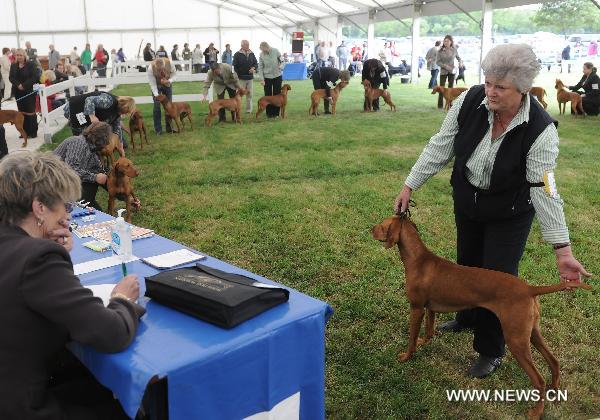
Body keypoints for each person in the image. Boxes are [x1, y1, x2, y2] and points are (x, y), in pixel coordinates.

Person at [394, 44, 590, 379]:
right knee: (467, 265)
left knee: (497, 277)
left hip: (509, 211)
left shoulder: (541, 130)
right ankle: (467, 316)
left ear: (524, 89)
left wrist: (563, 249)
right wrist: (410, 183)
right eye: (487, 83)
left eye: (500, 87)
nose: (490, 92)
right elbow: (441, 144)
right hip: (468, 200)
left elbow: (546, 188)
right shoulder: (469, 101)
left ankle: (489, 348)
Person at [0, 150, 145, 419]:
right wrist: (123, 299)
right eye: (65, 206)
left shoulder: (18, 247)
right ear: (39, 207)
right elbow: (110, 333)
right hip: (24, 405)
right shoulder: (37, 259)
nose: (67, 217)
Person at [63, 91, 135, 149]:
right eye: (123, 112)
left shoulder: (117, 112)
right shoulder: (108, 100)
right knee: (82, 138)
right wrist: (92, 116)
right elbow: (89, 100)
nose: (122, 114)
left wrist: (120, 145)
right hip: (75, 108)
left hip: (86, 112)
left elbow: (117, 129)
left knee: (92, 142)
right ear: (121, 106)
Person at [9, 49, 38, 139]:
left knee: (30, 112)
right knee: (21, 112)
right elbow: (11, 77)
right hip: (18, 92)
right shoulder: (13, 65)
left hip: (29, 91)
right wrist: (18, 85)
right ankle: (24, 132)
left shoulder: (31, 64)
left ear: (24, 55)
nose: (19, 57)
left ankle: (33, 132)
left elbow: (34, 77)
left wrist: (24, 85)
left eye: (21, 55)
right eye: (17, 55)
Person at [148, 57, 176, 134]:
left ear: (164, 65)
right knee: (156, 107)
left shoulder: (170, 63)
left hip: (167, 85)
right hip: (156, 87)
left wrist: (169, 80)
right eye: (158, 70)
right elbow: (152, 84)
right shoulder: (150, 68)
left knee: (169, 107)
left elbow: (175, 75)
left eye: (161, 69)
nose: (160, 71)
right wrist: (157, 96)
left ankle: (169, 128)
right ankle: (158, 130)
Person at [257, 42, 284, 118]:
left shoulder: (276, 51)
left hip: (277, 76)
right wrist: (262, 79)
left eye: (264, 50)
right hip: (267, 77)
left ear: (267, 47)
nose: (263, 52)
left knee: (277, 95)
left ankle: (276, 114)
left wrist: (281, 67)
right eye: (262, 50)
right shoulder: (261, 55)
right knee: (268, 95)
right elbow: (260, 67)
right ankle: (269, 114)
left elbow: (282, 61)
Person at [436, 35, 462, 109]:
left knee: (451, 89)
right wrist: (445, 66)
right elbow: (437, 62)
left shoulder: (454, 50)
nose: (445, 42)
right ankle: (440, 105)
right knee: (441, 88)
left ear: (451, 42)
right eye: (444, 41)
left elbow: (458, 58)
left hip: (452, 71)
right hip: (443, 72)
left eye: (447, 41)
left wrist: (460, 62)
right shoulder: (440, 51)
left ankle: (450, 105)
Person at [233, 40, 258, 113]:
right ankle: (237, 109)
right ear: (242, 46)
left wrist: (253, 68)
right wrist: (238, 75)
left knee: (250, 94)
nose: (248, 46)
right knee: (239, 94)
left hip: (250, 78)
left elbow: (256, 63)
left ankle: (248, 110)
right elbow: (234, 66)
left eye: (248, 44)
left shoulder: (252, 54)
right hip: (241, 78)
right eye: (246, 45)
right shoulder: (237, 54)